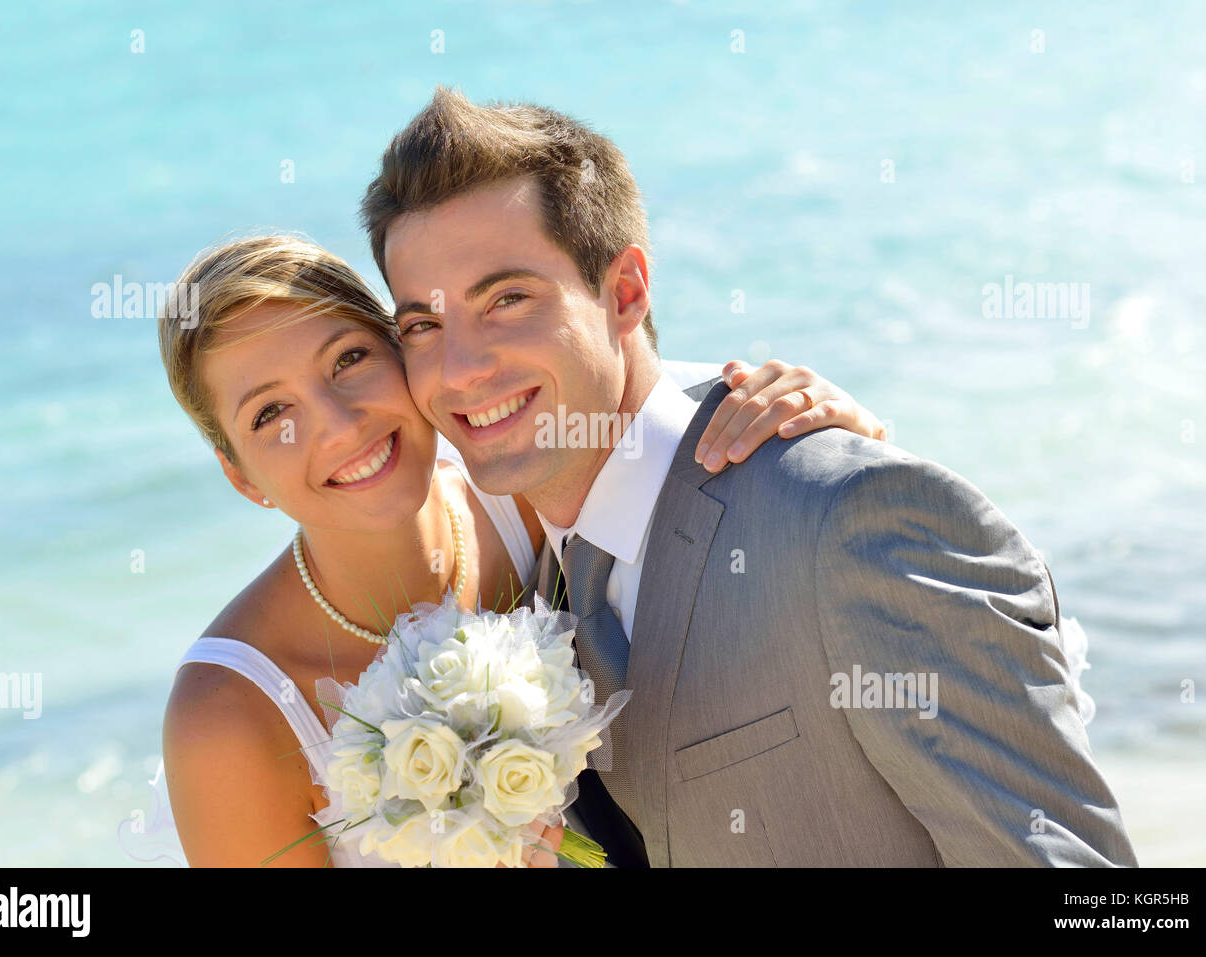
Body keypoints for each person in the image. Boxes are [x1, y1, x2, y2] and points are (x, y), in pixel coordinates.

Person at [360, 87, 1139, 866]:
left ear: (625, 292)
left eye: (506, 299)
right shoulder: (525, 587)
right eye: (423, 325)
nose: (460, 368)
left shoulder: (849, 522)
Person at [156, 233, 889, 867]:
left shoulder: (522, 492)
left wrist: (814, 438)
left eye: (348, 358)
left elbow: (658, 430)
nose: (340, 425)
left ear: (410, 352)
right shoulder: (229, 715)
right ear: (240, 475)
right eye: (271, 412)